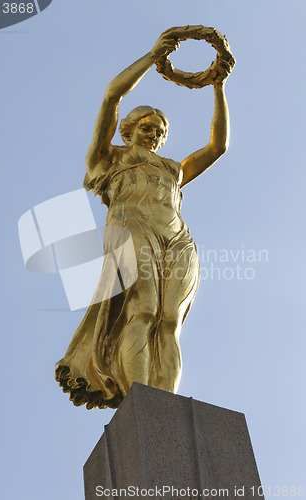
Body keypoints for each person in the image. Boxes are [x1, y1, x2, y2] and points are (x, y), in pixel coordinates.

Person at [55, 28, 230, 409]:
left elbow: (218, 147)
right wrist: (154, 56)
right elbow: (112, 94)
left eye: (160, 131)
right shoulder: (108, 159)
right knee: (143, 309)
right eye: (147, 128)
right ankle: (141, 402)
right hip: (131, 227)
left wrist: (217, 86)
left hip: (176, 237)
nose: (154, 134)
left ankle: (165, 407)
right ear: (128, 130)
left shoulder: (173, 169)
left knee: (170, 322)